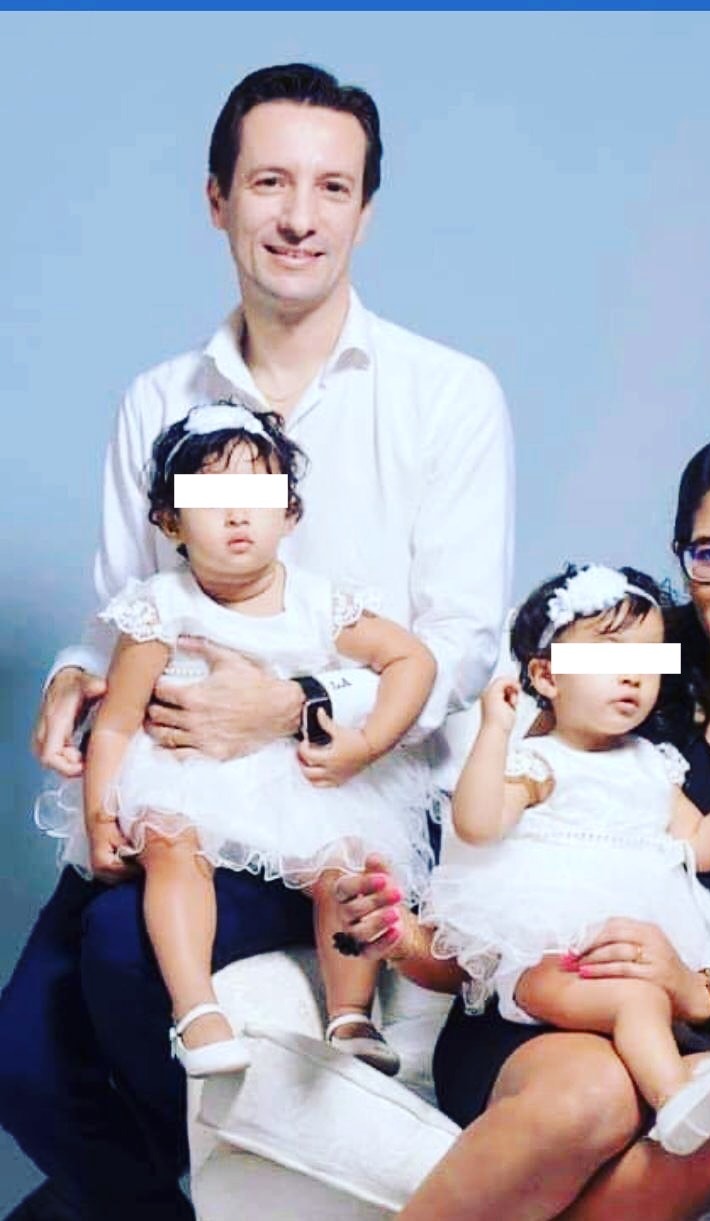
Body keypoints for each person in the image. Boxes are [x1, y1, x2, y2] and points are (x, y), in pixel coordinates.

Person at [3, 62, 512, 1221]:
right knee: (20, 1058)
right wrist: (75, 677)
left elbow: (463, 641)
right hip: (179, 784)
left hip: (348, 800)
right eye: (270, 182)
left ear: (365, 212)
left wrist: (299, 705)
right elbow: (121, 605)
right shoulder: (157, 397)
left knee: (124, 959)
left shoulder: (446, 394)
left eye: (332, 188)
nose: (299, 216)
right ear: (217, 198)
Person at [339, 425, 710, 1219]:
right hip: (536, 1019)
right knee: (594, 1093)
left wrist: (695, 990)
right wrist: (402, 934)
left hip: (697, 1037)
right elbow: (492, 887)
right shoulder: (611, 696)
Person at [36, 402, 439, 1078]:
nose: (236, 515)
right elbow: (116, 722)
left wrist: (367, 743)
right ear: (170, 521)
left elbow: (413, 660)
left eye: (258, 496)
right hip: (185, 769)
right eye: (209, 499)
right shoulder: (160, 607)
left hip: (287, 773)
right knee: (171, 845)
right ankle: (197, 1011)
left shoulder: (317, 601)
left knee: (344, 863)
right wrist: (101, 815)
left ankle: (351, 1014)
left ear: (290, 513)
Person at [421, 562, 710, 1155]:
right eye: (607, 657)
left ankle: (683, 1095)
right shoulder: (543, 762)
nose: (632, 676)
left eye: (649, 661)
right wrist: (494, 730)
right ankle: (677, 1102)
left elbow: (700, 847)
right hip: (554, 956)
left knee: (651, 998)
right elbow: (477, 824)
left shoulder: (651, 764)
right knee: (637, 999)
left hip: (637, 958)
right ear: (547, 676)